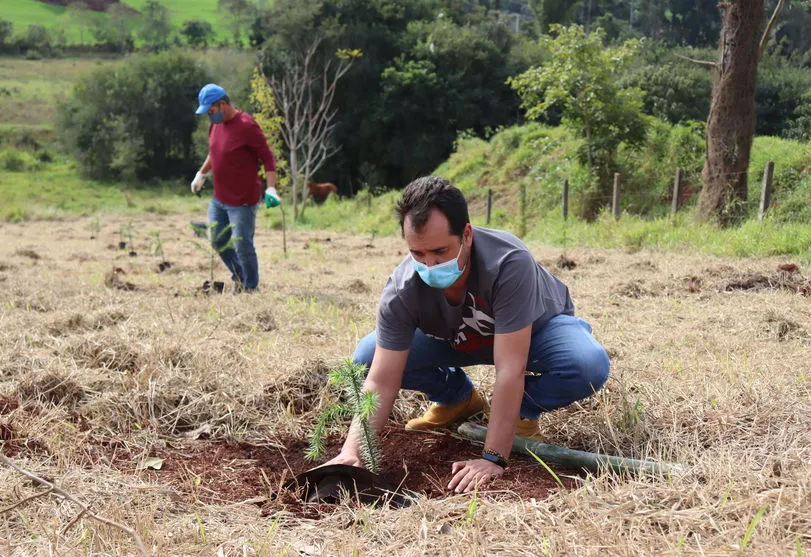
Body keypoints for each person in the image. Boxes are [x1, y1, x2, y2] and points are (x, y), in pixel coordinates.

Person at [324, 176, 610, 493]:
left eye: (440, 251)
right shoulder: (402, 290)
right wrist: (352, 451)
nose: (430, 265)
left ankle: (521, 414)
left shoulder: (508, 262)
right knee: (367, 357)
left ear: (467, 235)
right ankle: (456, 399)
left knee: (587, 364)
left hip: (532, 334)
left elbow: (510, 367)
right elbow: (381, 380)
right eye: (417, 254)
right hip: (458, 339)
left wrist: (493, 457)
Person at [191, 83, 281, 291]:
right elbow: (214, 152)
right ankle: (240, 275)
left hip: (243, 200)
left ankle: (250, 288)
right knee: (217, 239)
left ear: (222, 104)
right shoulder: (215, 125)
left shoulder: (247, 125)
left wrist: (271, 188)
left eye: (211, 111)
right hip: (219, 198)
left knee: (242, 245)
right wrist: (202, 174)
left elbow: (267, 158)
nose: (209, 116)